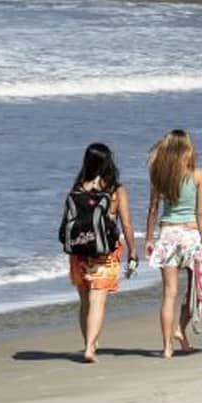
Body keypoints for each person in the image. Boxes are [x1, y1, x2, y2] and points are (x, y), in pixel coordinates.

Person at [145, 129, 202, 359]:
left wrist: (148, 239)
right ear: (186, 150)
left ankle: (167, 347)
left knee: (169, 294)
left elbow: (153, 209)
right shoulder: (198, 176)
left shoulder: (159, 176)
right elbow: (201, 213)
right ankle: (180, 329)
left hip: (167, 236)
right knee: (195, 291)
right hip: (191, 236)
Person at [67, 142, 137, 363]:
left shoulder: (79, 186)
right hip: (104, 254)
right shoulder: (116, 190)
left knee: (85, 301)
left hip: (79, 252)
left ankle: (89, 342)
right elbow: (126, 225)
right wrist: (133, 252)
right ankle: (90, 348)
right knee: (98, 300)